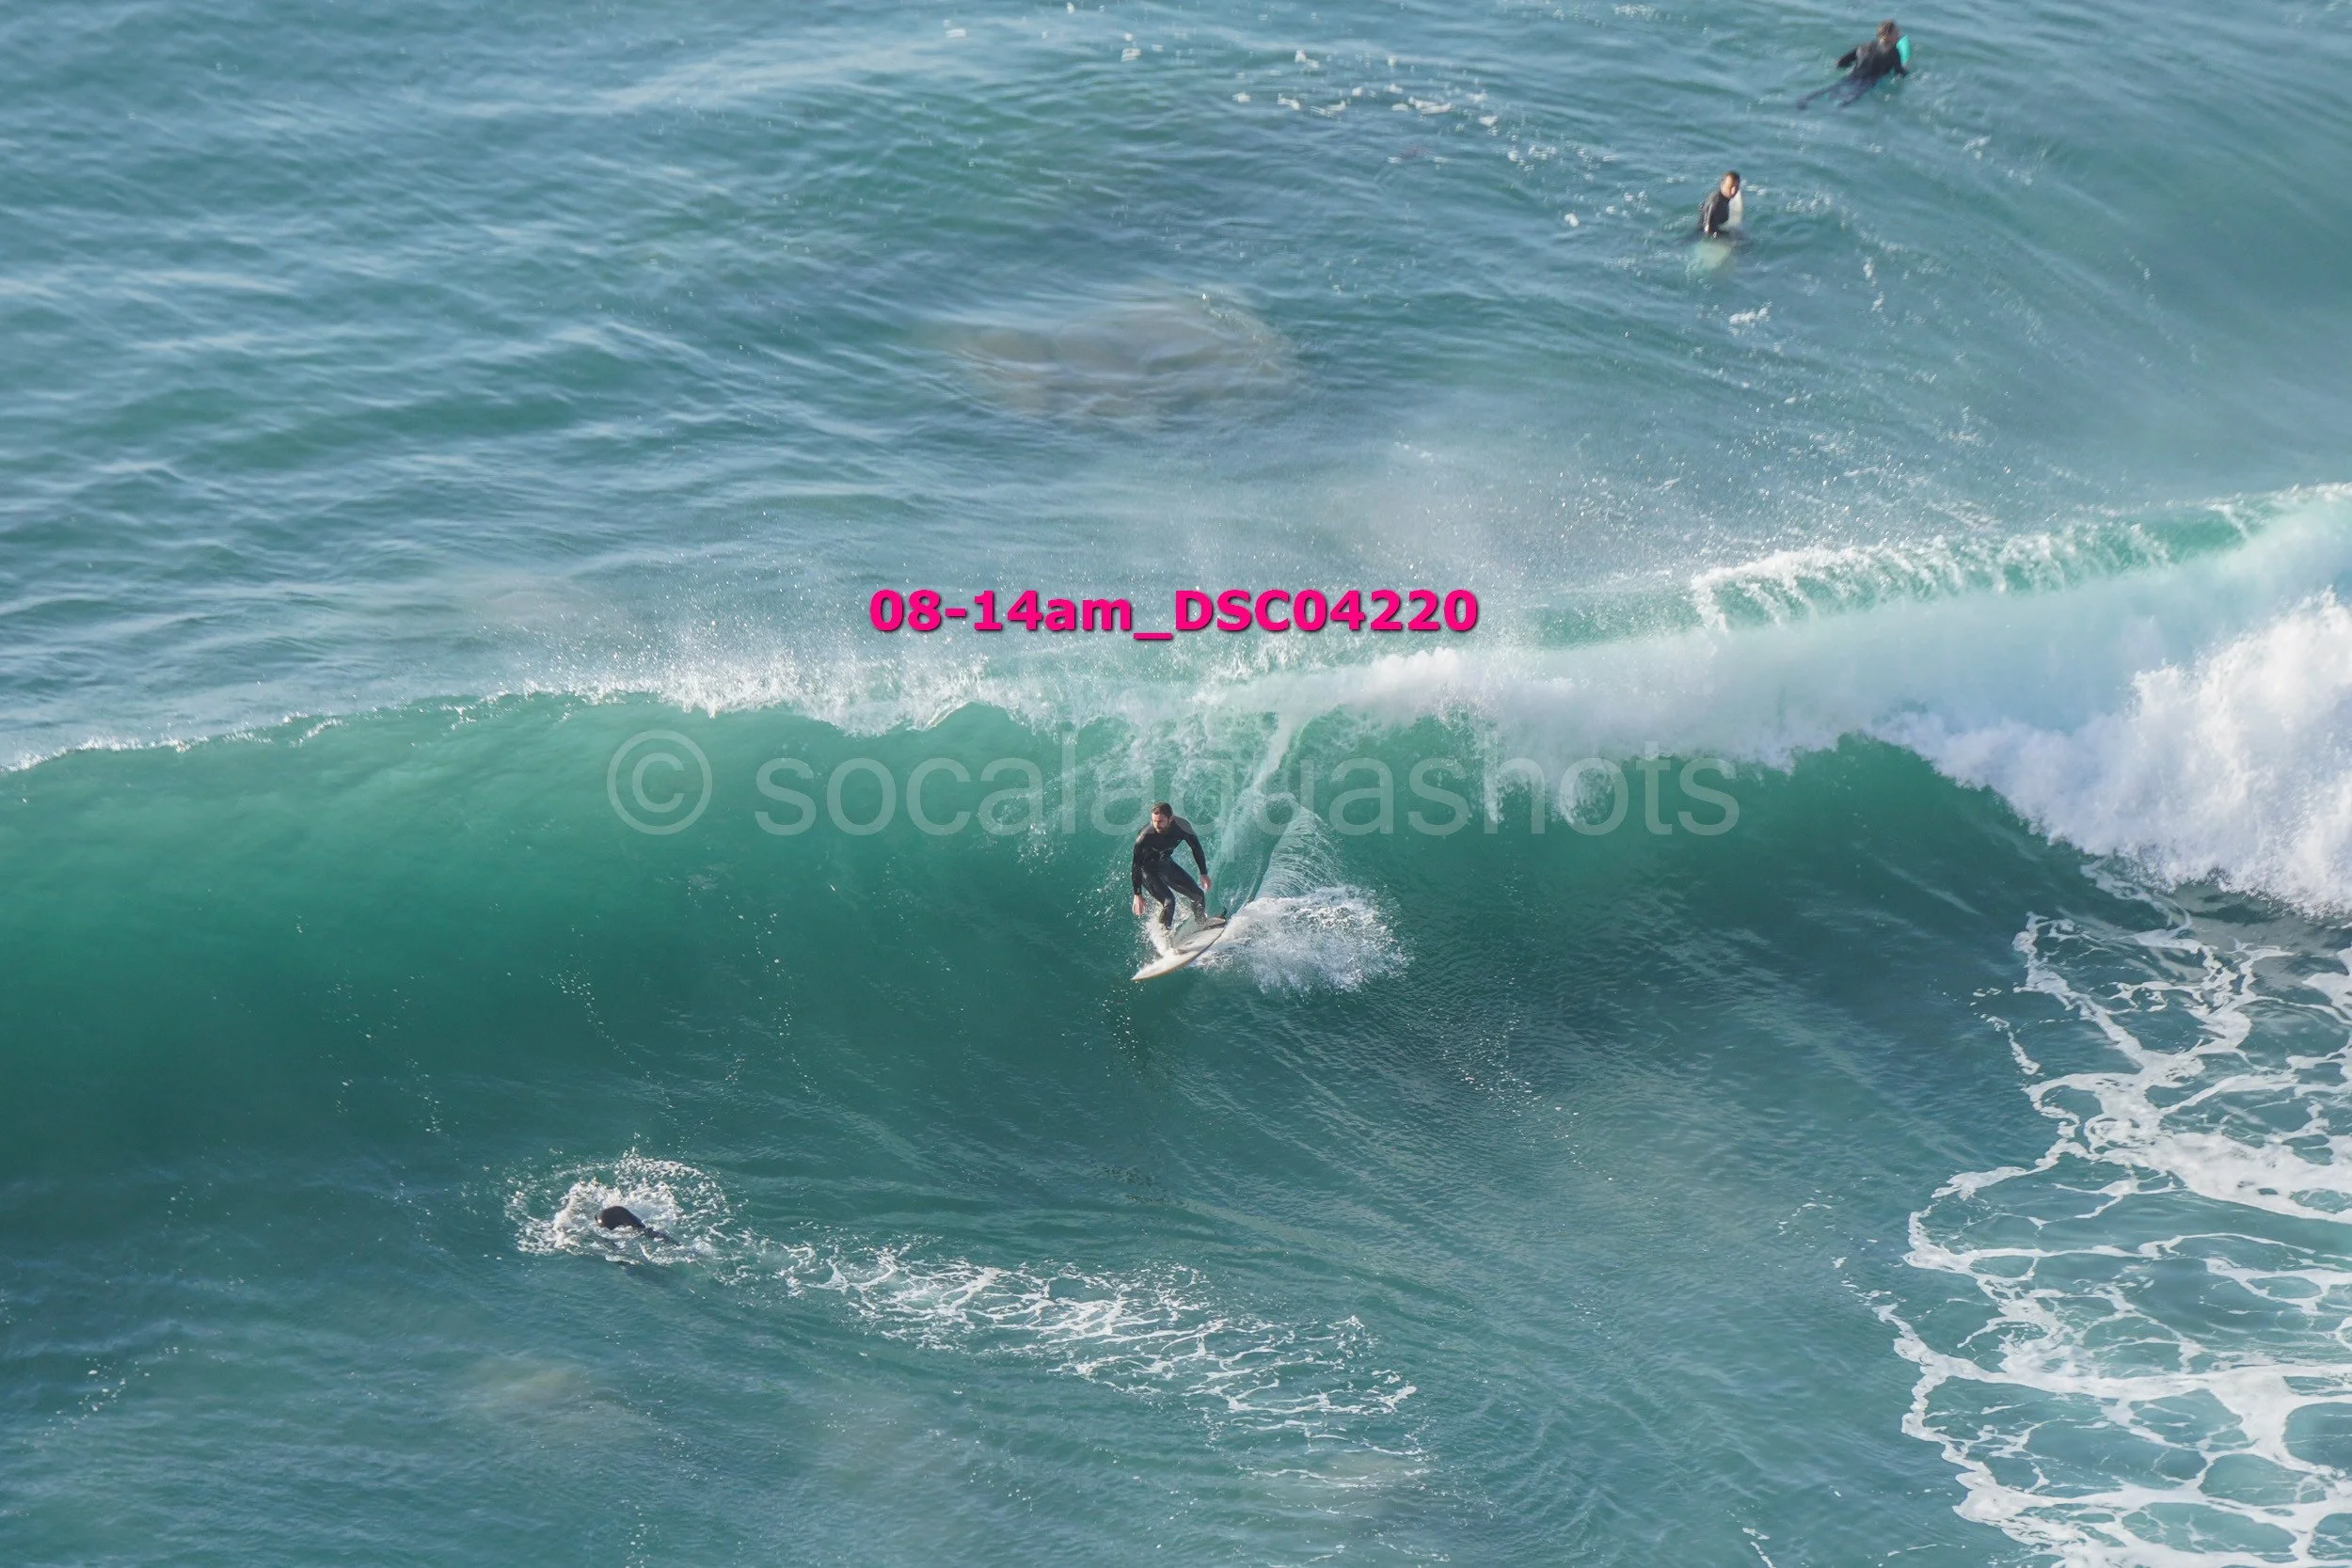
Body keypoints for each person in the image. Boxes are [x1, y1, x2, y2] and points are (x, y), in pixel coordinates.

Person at [1131, 801, 1213, 931]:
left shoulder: (1183, 827)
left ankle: (1202, 924)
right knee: (1169, 901)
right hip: (1146, 871)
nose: (1156, 825)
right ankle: (1164, 940)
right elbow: (1136, 865)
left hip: (1165, 864)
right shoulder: (1144, 836)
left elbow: (1195, 847)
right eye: (1154, 821)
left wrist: (1203, 873)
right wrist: (1137, 894)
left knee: (1198, 895)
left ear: (1171, 819)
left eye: (1160, 821)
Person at [1803, 20, 1908, 107]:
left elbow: (1840, 63)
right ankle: (1835, 112)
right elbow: (1899, 73)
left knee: (1832, 89)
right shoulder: (1893, 51)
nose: (1898, 36)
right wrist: (1906, 67)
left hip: (1852, 76)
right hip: (1868, 82)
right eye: (1896, 33)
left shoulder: (1864, 47)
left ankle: (1807, 99)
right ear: (1887, 36)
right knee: (1850, 99)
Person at [1698, 171, 1741, 238]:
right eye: (1730, 187)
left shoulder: (1723, 197)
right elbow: (1708, 230)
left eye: (1736, 187)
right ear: (1722, 184)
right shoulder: (1715, 202)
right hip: (1704, 234)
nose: (1733, 191)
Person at [597, 1204, 672, 1243]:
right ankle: (671, 1241)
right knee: (641, 1230)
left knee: (640, 1230)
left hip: (615, 1213)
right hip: (616, 1212)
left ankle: (670, 1241)